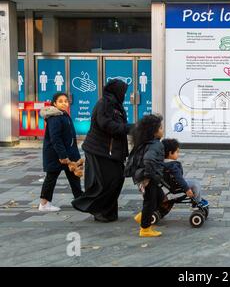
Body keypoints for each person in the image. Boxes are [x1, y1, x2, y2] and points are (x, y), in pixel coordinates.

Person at [72, 79, 130, 222]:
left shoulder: (115, 104)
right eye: (123, 92)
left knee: (115, 180)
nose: (125, 95)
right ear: (117, 91)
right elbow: (107, 125)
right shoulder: (104, 104)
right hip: (100, 150)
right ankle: (97, 210)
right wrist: (131, 128)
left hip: (111, 151)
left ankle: (107, 212)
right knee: (108, 182)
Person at [39, 92, 83, 211]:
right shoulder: (55, 117)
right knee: (51, 177)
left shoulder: (64, 115)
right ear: (54, 103)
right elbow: (55, 138)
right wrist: (63, 156)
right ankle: (44, 204)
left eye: (66, 101)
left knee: (74, 177)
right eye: (60, 101)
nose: (64, 103)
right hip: (56, 154)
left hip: (68, 152)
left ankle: (80, 200)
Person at [131, 114, 165, 237]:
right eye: (160, 128)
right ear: (154, 132)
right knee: (150, 202)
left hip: (147, 177)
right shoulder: (155, 145)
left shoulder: (148, 143)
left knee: (160, 198)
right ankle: (145, 229)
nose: (162, 130)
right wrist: (152, 176)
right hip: (148, 178)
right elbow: (149, 160)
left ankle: (142, 217)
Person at [161, 138, 209, 207]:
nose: (178, 154)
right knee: (195, 184)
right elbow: (179, 178)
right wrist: (187, 189)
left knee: (193, 183)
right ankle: (198, 202)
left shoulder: (162, 163)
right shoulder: (173, 166)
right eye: (177, 152)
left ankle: (197, 199)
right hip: (177, 185)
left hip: (171, 184)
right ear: (170, 153)